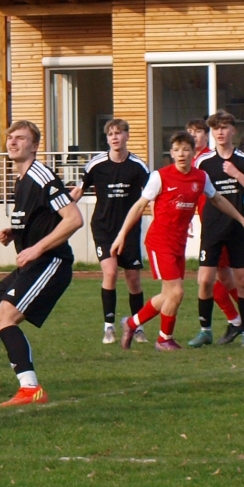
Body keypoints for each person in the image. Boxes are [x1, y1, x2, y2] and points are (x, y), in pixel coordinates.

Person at [0, 119, 84, 406]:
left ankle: (31, 388)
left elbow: (73, 219)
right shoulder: (21, 179)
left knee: (4, 318)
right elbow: (44, 216)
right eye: (11, 137)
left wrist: (37, 248)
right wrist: (16, 231)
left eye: (21, 138)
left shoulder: (41, 176)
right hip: (31, 264)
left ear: (34, 146)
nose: (12, 142)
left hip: (51, 262)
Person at [114, 132, 244, 351]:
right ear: (171, 153)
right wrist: (122, 235)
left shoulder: (200, 177)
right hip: (159, 242)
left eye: (186, 149)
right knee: (177, 292)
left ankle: (131, 323)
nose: (181, 154)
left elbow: (218, 199)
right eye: (177, 150)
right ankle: (164, 339)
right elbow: (139, 206)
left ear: (193, 153)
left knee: (168, 294)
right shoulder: (160, 176)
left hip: (178, 243)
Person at [190, 110, 244, 347]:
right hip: (212, 229)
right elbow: (192, 189)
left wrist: (237, 175)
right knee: (205, 281)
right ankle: (205, 330)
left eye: (224, 127)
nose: (220, 132)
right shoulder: (203, 162)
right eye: (216, 128)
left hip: (236, 229)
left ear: (233, 130)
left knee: (243, 282)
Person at [75, 119, 150, 344]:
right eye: (110, 134)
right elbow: (79, 190)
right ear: (107, 139)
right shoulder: (96, 164)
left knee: (133, 279)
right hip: (104, 228)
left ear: (127, 136)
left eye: (119, 133)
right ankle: (108, 327)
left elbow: (151, 195)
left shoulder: (138, 166)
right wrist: (60, 211)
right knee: (110, 272)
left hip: (129, 229)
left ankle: (137, 326)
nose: (115, 137)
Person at [188, 118, 243, 333]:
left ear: (206, 135)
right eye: (190, 132)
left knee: (214, 278)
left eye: (198, 131)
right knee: (219, 277)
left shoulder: (209, 160)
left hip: (221, 227)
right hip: (209, 226)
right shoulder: (194, 161)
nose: (193, 136)